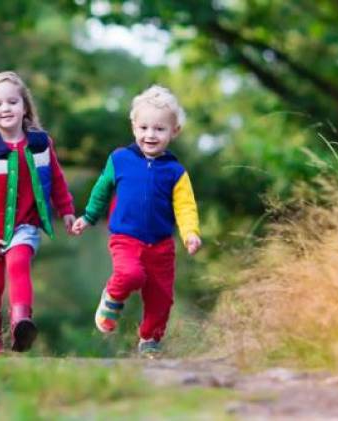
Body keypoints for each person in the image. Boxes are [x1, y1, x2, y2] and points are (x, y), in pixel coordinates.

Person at [72, 85, 201, 357]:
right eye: (144, 128)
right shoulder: (120, 159)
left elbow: (185, 206)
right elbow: (102, 188)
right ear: (134, 127)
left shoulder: (175, 171)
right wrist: (88, 216)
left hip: (161, 245)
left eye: (159, 129)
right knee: (130, 274)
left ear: (174, 131)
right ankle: (113, 296)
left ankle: (150, 342)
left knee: (161, 298)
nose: (150, 135)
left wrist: (190, 233)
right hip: (125, 238)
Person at [0, 71, 75, 356]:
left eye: (12, 102)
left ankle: (21, 322)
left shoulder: (41, 144)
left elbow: (56, 179)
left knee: (19, 263)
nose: (5, 108)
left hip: (24, 224)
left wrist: (66, 209)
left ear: (24, 107)